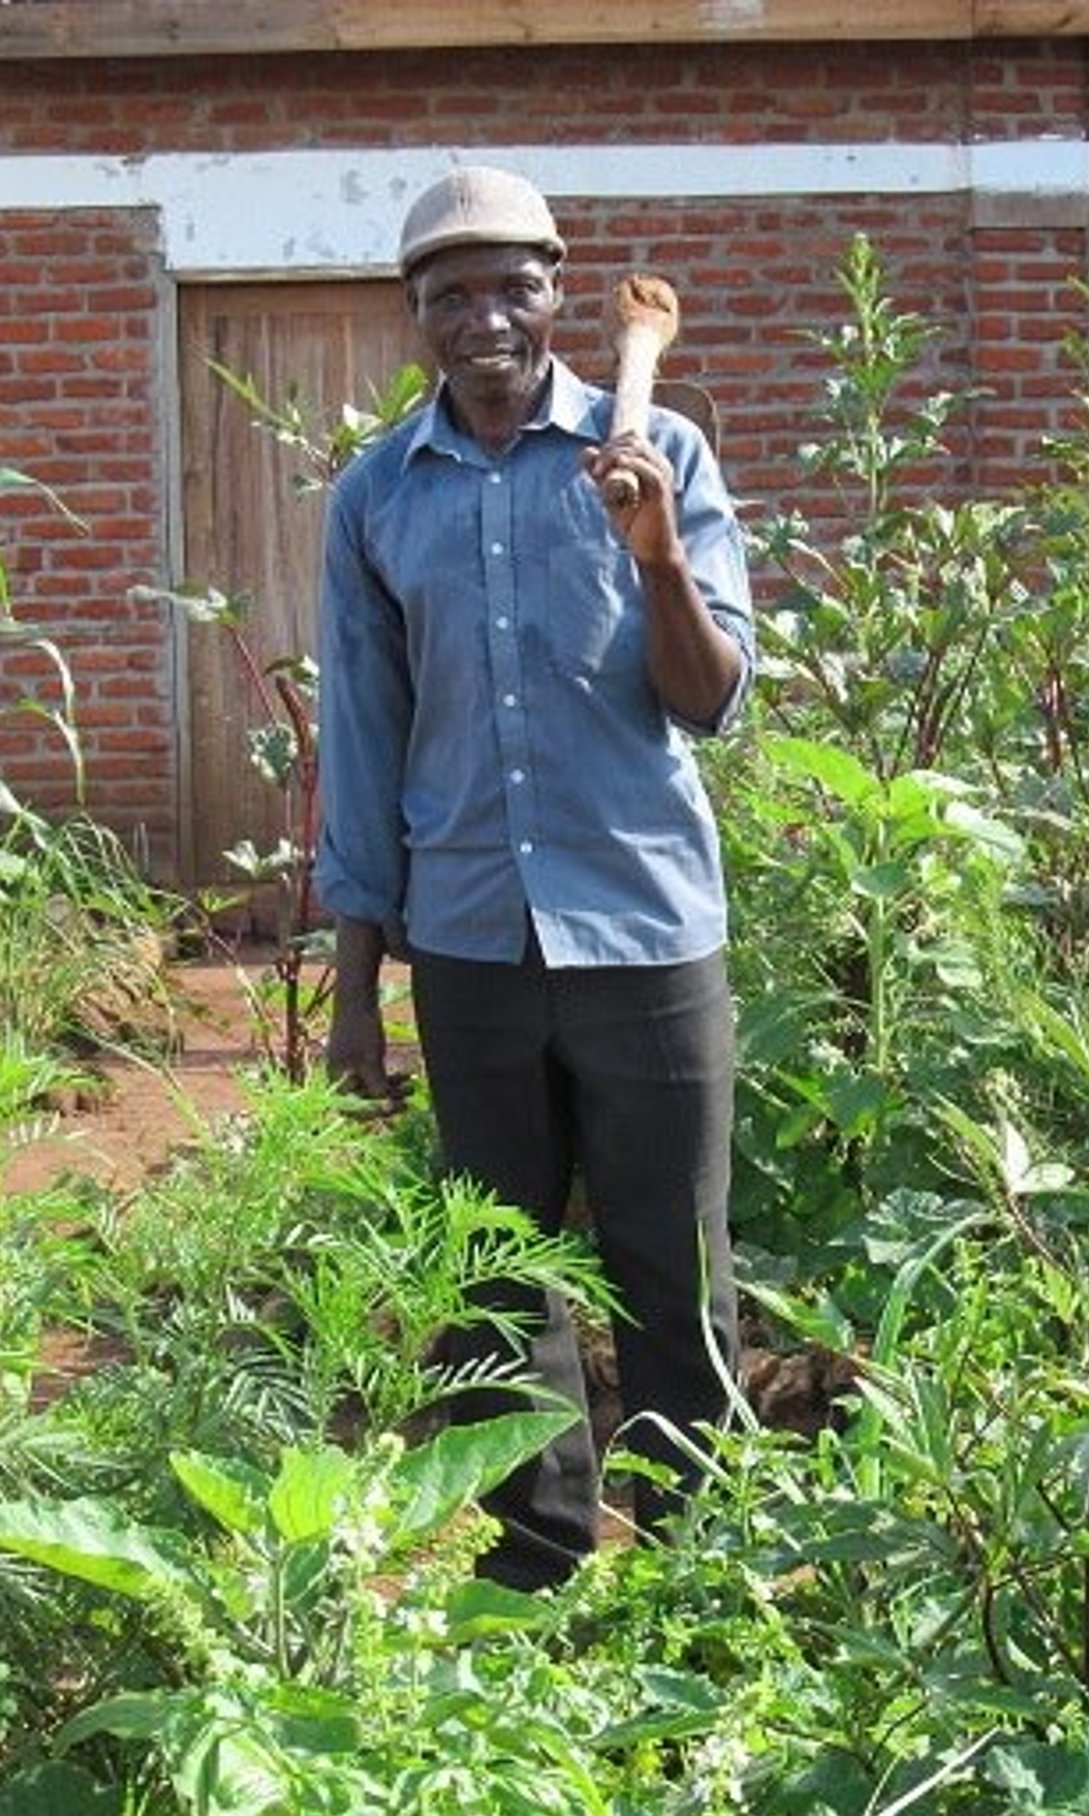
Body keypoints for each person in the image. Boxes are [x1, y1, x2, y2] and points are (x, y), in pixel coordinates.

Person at [314, 165, 755, 1591]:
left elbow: (710, 699)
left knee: (673, 1282)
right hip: (472, 951)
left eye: (511, 284)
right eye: (451, 293)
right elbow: (367, 744)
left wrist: (657, 560)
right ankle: (535, 1580)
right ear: (416, 318)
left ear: (560, 290)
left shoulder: (658, 454)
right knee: (498, 1293)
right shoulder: (379, 496)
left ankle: (698, 1587)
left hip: (645, 938)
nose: (483, 315)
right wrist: (354, 997)